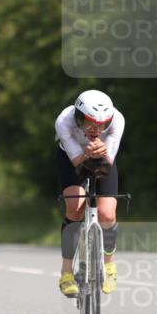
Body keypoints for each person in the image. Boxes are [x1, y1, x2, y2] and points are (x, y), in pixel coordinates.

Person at [54, 89, 125, 298]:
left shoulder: (117, 120)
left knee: (107, 214)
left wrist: (102, 153)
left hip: (102, 157)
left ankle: (110, 266)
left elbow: (106, 165)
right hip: (70, 157)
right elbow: (77, 162)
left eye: (103, 124)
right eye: (91, 123)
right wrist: (87, 153)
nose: (97, 129)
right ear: (78, 118)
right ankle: (66, 272)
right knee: (75, 209)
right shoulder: (64, 121)